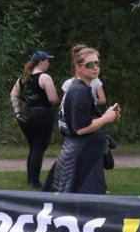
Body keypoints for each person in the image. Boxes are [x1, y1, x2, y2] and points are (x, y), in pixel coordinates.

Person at [45, 46, 120, 194]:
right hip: (80, 156)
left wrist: (106, 115)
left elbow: (85, 119)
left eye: (98, 63)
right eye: (91, 65)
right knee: (85, 205)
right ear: (79, 68)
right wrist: (105, 118)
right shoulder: (79, 91)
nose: (96, 68)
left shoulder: (81, 88)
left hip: (83, 153)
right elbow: (80, 129)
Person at [10, 50, 59, 188]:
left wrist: (17, 112)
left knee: (33, 147)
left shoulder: (23, 77)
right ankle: (35, 182)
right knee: (39, 148)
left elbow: (13, 94)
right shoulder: (45, 78)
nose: (49, 63)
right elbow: (52, 99)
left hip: (26, 115)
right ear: (42, 61)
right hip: (41, 115)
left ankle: (30, 179)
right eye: (47, 60)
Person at [61, 43, 107, 108]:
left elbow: (65, 105)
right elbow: (102, 100)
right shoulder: (80, 90)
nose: (96, 68)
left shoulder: (68, 83)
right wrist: (107, 117)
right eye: (90, 64)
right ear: (78, 67)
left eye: (97, 63)